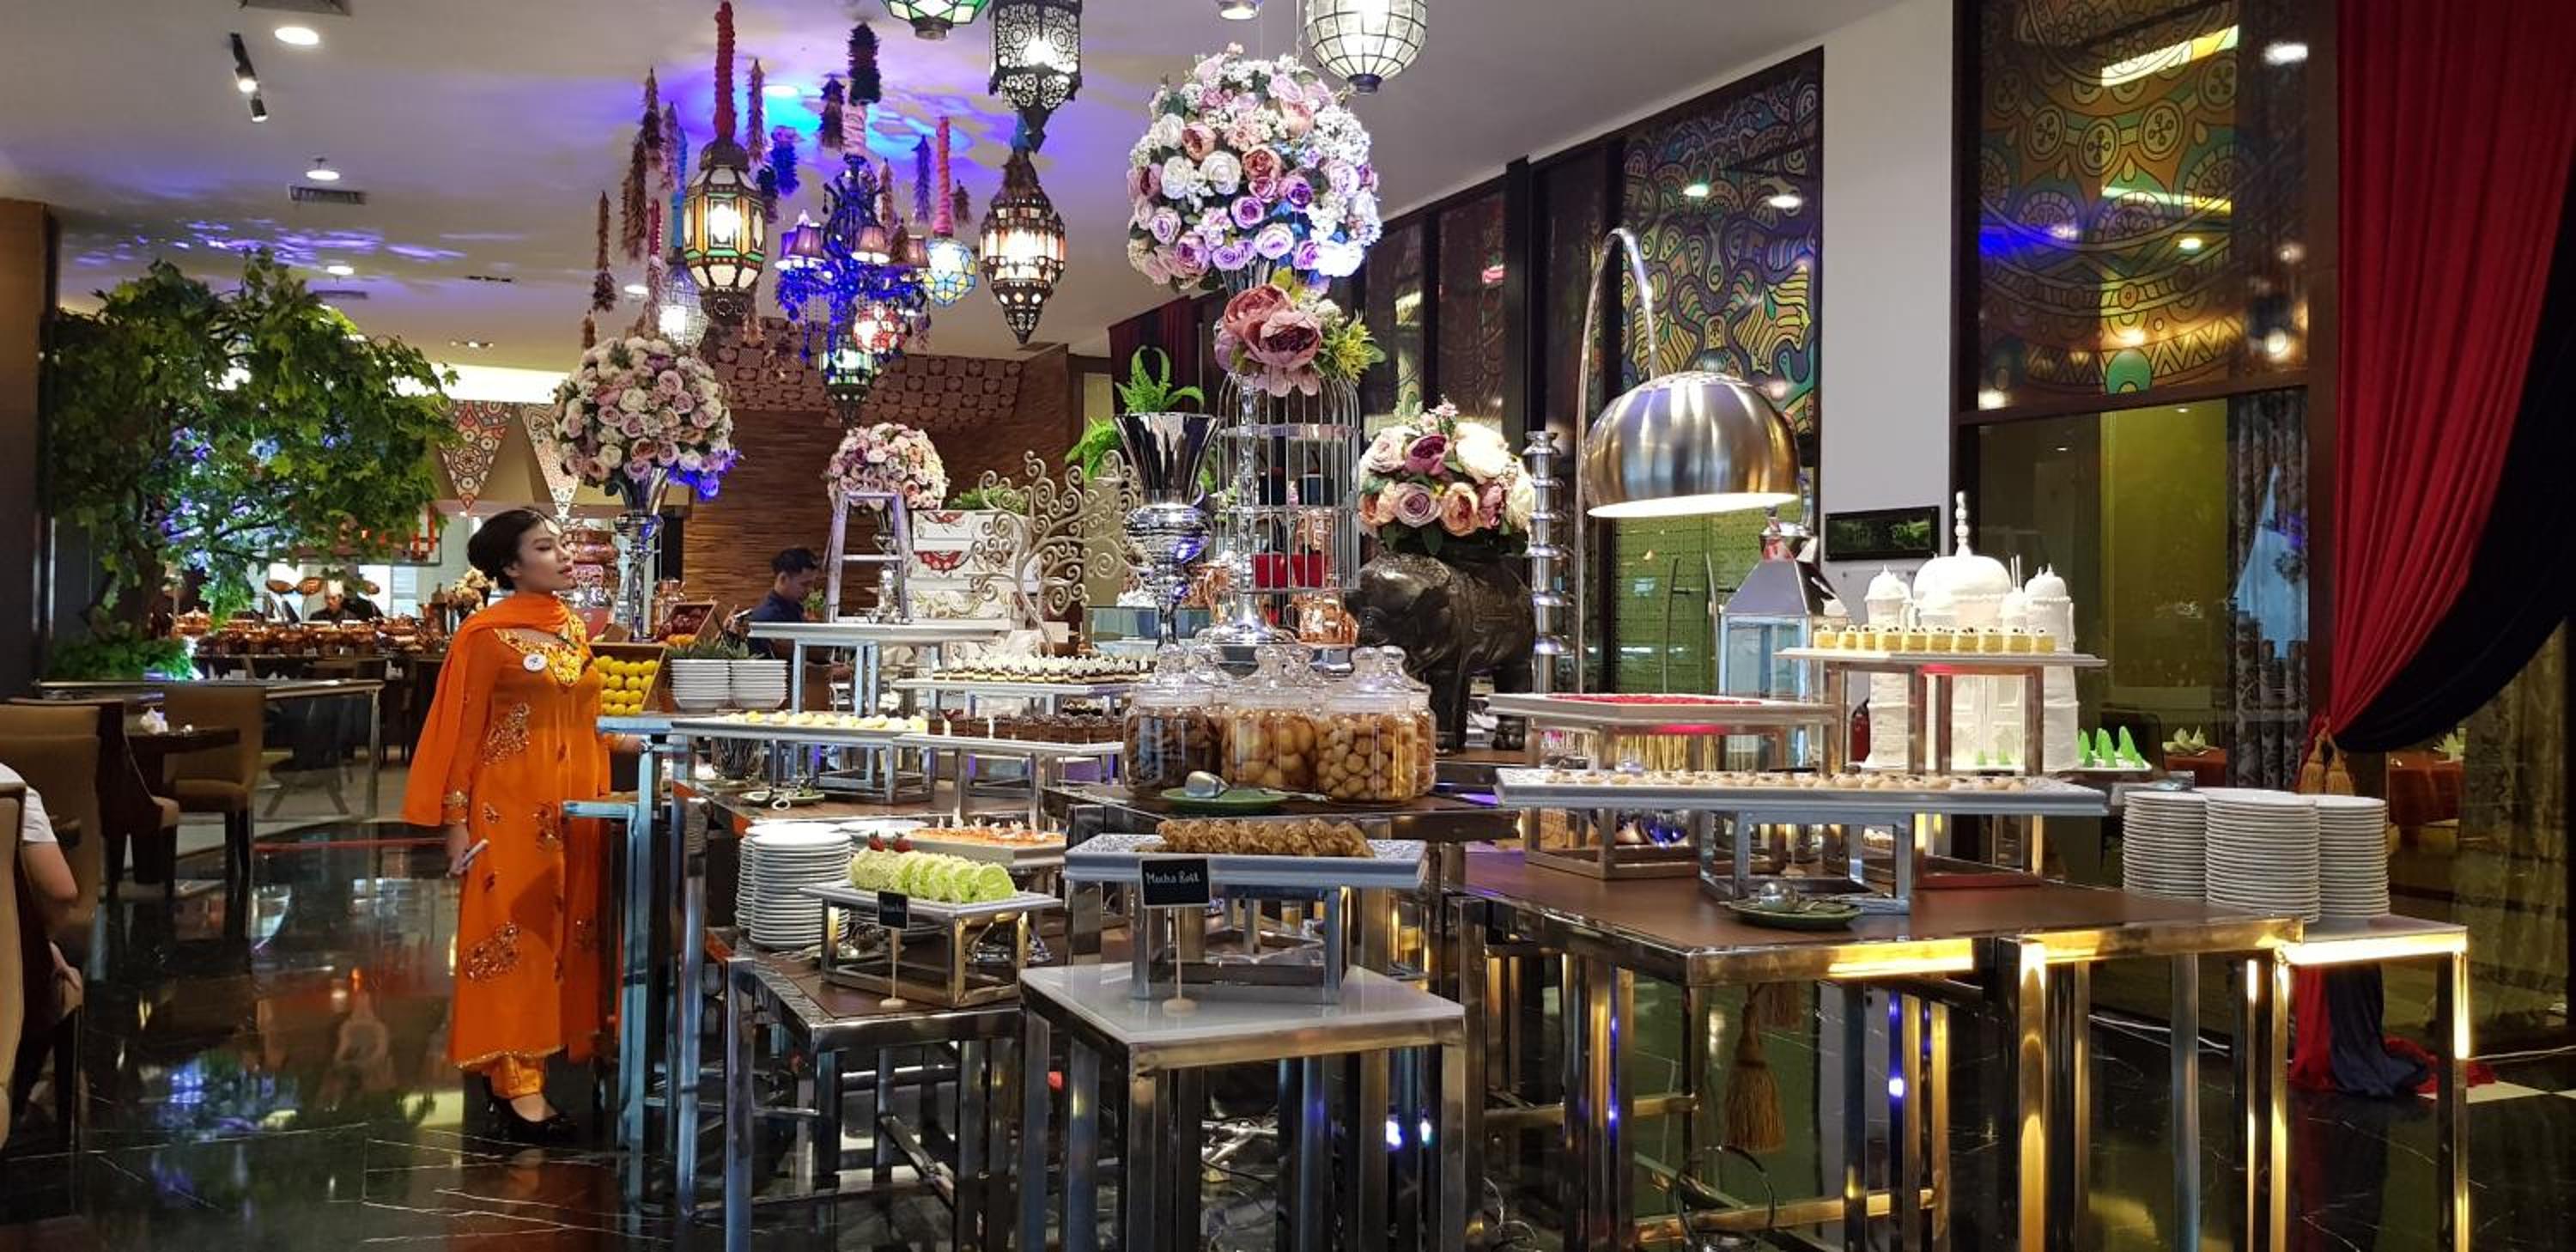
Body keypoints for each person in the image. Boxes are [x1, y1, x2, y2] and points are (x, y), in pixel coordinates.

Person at [402, 507, 629, 1142]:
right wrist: (454, 821)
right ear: (510, 566)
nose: (563, 556)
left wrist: (636, 740)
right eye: (545, 547)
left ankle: (551, 1052)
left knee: (567, 933)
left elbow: (582, 720)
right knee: (512, 941)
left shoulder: (570, 628)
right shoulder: (485, 635)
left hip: (574, 809)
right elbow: (462, 732)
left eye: (561, 545)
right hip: (505, 815)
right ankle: (513, 1082)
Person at [3, 763, 80, 1119]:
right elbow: (60, 893)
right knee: (39, 979)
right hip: (8, 982)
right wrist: (42, 942)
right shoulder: (7, 785)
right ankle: (14, 1107)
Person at [742, 547, 823, 659]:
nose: (810, 590)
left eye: (812, 584)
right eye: (805, 584)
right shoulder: (766, 618)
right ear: (783, 578)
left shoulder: (795, 608)